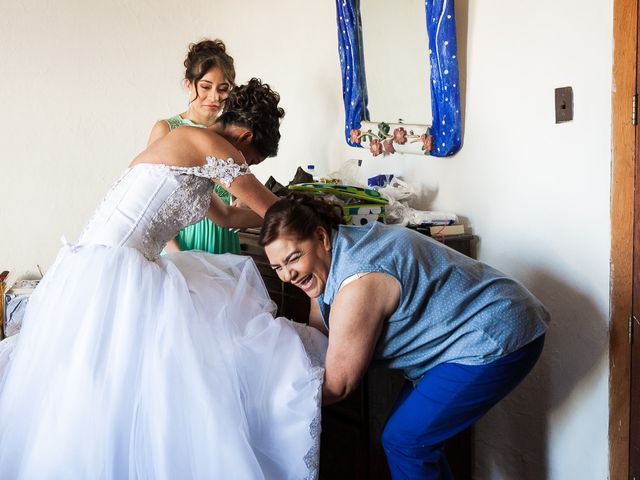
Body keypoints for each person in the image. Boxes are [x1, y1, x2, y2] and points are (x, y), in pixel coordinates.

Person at [0, 80, 327, 479]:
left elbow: (225, 217)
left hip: (94, 265)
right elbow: (277, 214)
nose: (245, 171)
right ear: (243, 137)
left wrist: (275, 205)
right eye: (250, 162)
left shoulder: (189, 143)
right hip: (119, 272)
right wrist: (320, 214)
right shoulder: (212, 146)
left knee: (98, 385)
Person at [260, 192, 550, 480]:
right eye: (278, 267)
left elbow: (339, 386)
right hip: (460, 337)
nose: (288, 276)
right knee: (411, 440)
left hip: (496, 331)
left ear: (321, 238)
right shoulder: (338, 246)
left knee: (406, 442)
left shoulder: (358, 283)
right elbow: (319, 333)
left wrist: (271, 405)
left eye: (293, 259)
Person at [148, 38, 259, 255]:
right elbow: (153, 205)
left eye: (223, 89)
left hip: (223, 239)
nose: (215, 97)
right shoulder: (167, 130)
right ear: (189, 85)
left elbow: (236, 192)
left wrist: (242, 203)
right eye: (206, 87)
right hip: (179, 244)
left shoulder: (228, 135)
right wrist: (178, 256)